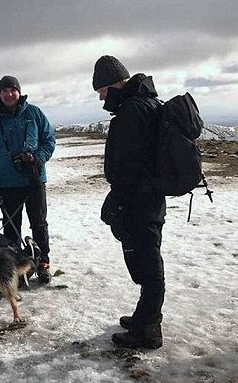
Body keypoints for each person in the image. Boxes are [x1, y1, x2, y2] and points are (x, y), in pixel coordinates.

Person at [93, 55, 166, 349]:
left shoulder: (132, 112)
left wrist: (119, 201)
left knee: (149, 268)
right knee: (146, 262)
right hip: (147, 200)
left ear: (113, 84)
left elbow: (129, 166)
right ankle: (143, 318)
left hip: (140, 202)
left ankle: (148, 330)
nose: (100, 97)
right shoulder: (143, 104)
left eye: (101, 90)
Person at [0, 75, 55, 284]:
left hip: (34, 179)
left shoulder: (34, 113)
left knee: (39, 223)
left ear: (19, 91)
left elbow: (49, 139)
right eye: (4, 90)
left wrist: (37, 157)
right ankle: (13, 269)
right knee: (11, 227)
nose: (9, 94)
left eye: (12, 90)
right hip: (7, 183)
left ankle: (43, 263)